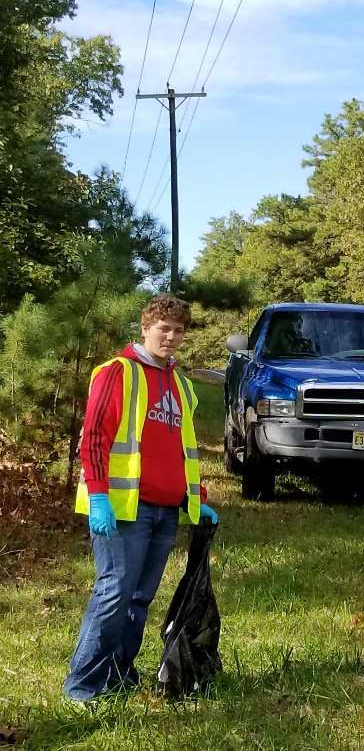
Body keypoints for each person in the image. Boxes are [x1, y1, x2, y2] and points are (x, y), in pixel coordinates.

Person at [64, 294, 219, 702]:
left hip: (166, 510)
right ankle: (83, 687)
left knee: (139, 599)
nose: (171, 337)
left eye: (178, 331)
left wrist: (196, 498)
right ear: (146, 327)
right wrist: (99, 497)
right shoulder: (117, 372)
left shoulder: (182, 386)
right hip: (121, 509)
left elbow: (183, 450)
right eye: (163, 328)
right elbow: (93, 439)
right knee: (114, 593)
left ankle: (118, 676)